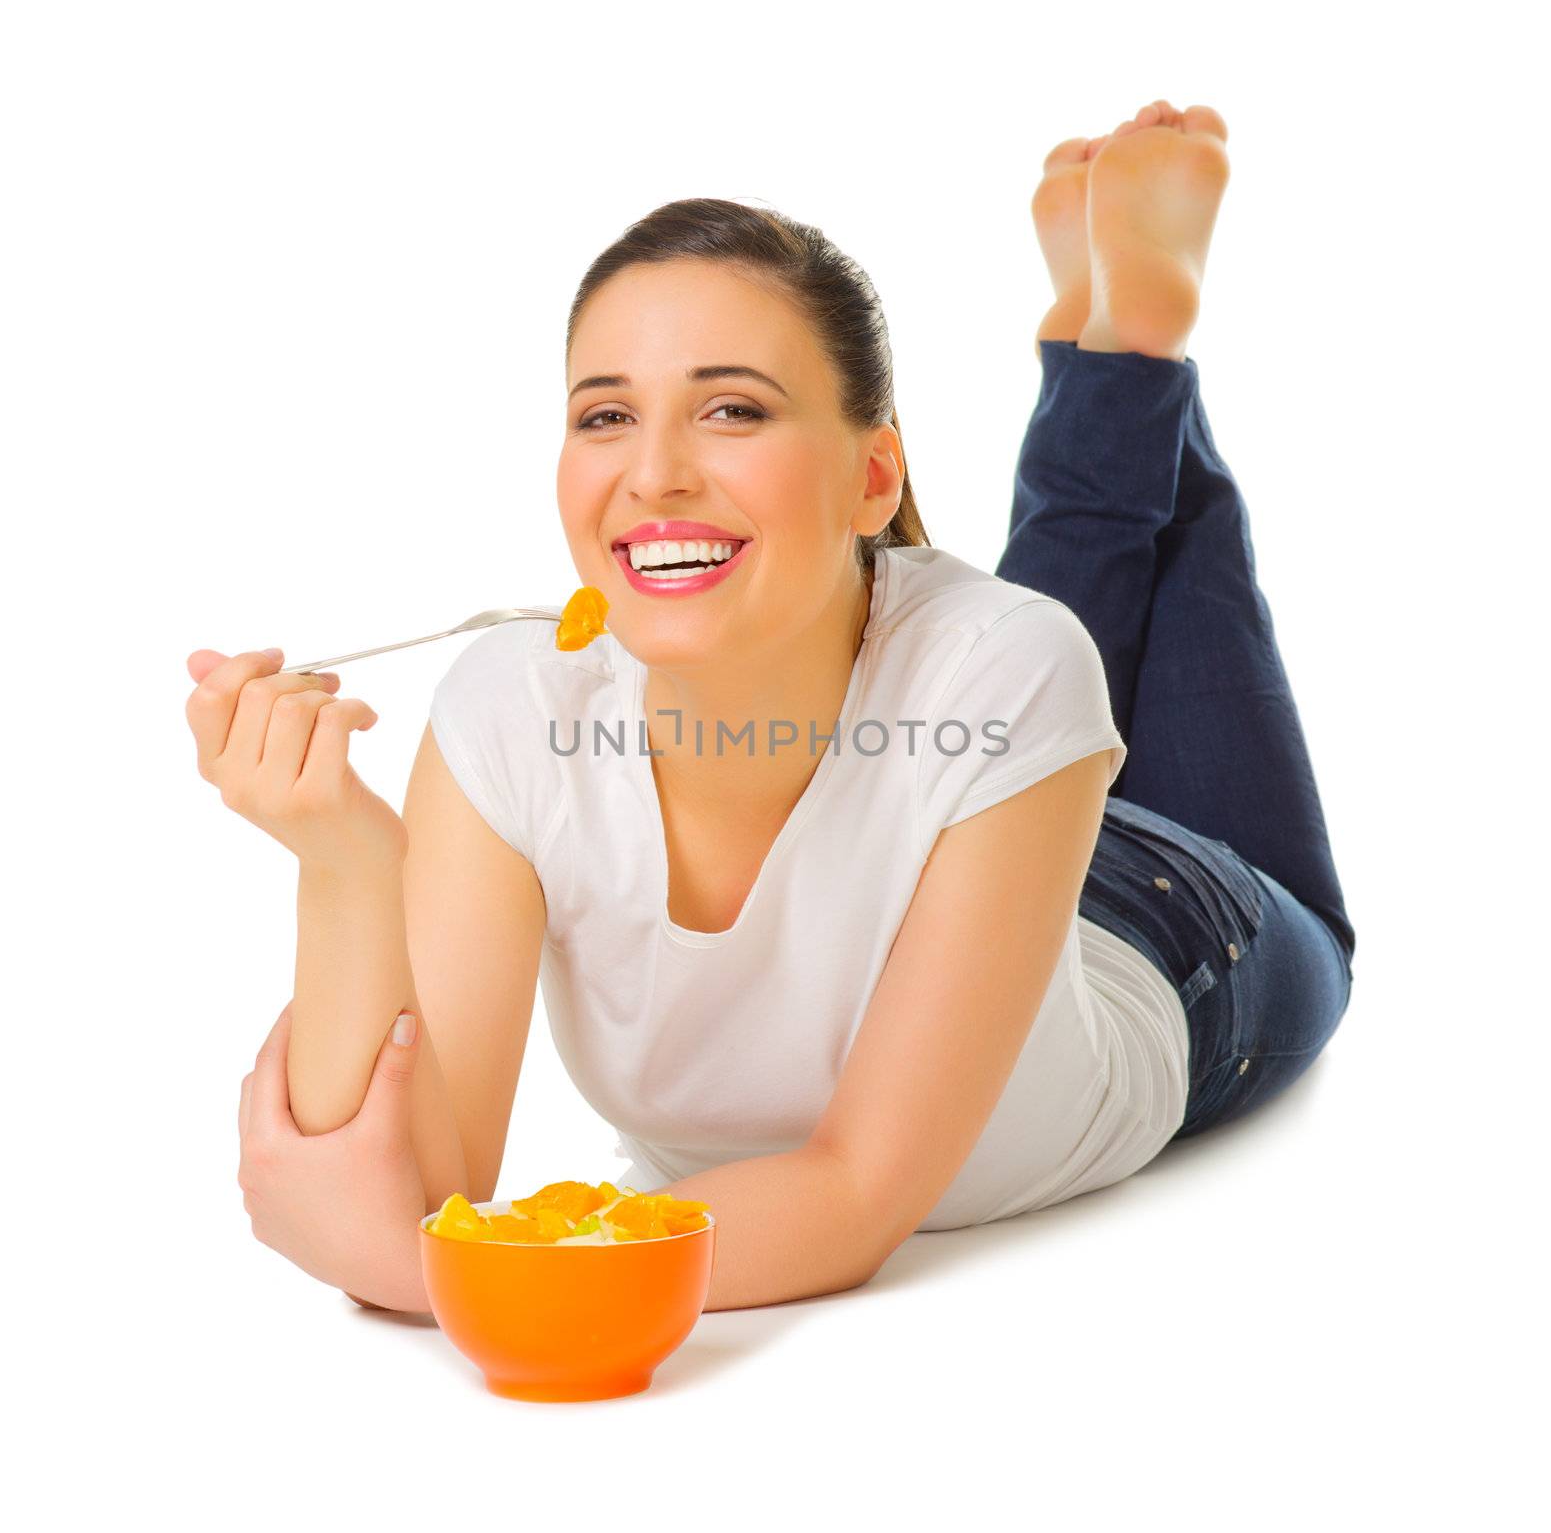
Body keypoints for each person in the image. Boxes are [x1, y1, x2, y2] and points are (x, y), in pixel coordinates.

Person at [188, 98, 1355, 1317]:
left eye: (732, 407)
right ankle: (1107, 353)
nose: (654, 471)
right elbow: (427, 1188)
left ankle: (1137, 356)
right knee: (999, 658)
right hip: (984, 816)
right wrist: (345, 858)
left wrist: (402, 1269)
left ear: (871, 475)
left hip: (1165, 939)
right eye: (606, 414)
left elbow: (849, 1194)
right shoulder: (510, 708)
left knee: (1033, 661)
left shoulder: (1004, 674)